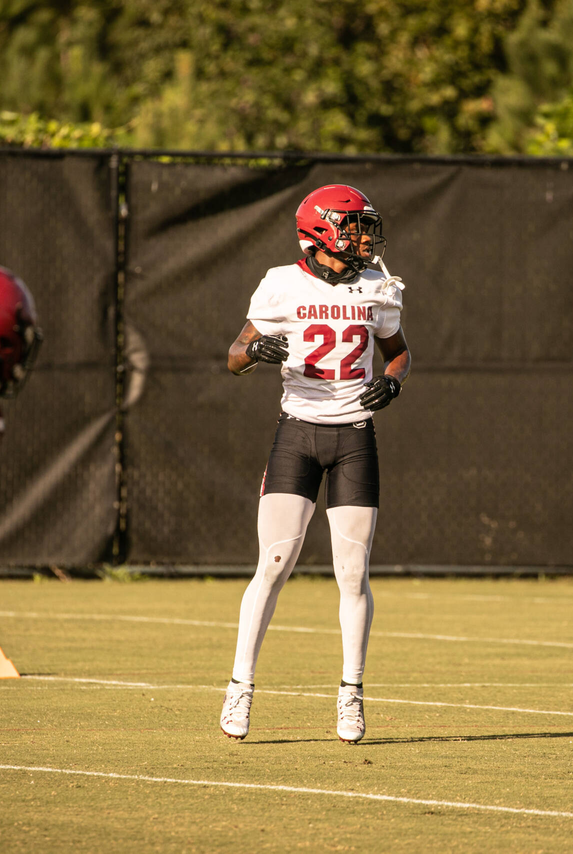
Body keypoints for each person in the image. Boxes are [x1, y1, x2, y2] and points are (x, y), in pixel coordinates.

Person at [219, 184, 411, 744]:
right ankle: (240, 686)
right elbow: (234, 355)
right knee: (273, 565)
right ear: (322, 229)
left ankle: (350, 695)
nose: (363, 237)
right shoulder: (281, 283)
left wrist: (392, 383)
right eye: (353, 226)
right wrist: (254, 353)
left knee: (352, 575)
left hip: (354, 436)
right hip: (297, 435)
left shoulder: (378, 287)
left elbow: (398, 350)